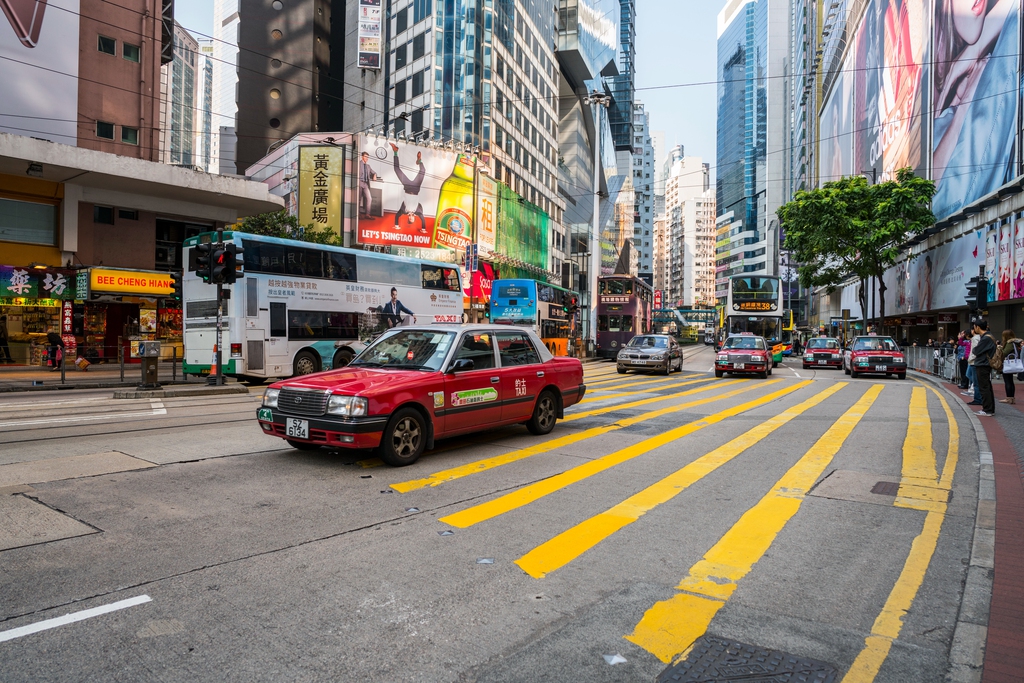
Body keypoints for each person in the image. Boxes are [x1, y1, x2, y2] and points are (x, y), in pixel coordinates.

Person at [389, 143, 427, 233]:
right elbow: (423, 220)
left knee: (396, 170)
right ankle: (419, 161)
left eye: (409, 218)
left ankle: (395, 152)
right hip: (416, 189)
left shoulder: (403, 211)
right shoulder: (418, 211)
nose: (410, 217)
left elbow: (397, 216)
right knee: (423, 171)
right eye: (412, 218)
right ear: (414, 217)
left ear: (408, 217)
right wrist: (423, 229)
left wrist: (397, 226)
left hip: (407, 187)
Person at [970, 319, 996, 416]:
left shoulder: (986, 338)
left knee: (984, 388)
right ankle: (989, 408)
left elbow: (976, 351)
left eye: (974, 326)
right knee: (986, 387)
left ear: (978, 327)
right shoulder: (988, 336)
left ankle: (987, 409)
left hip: (983, 365)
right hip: (985, 364)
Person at [993, 329, 1022, 405]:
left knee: (1008, 381)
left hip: (1008, 364)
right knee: (1010, 381)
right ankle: (1011, 398)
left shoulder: (1010, 343)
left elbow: (1005, 353)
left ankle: (1009, 398)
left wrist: (1000, 348)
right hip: (1012, 363)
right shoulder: (1015, 343)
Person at [358, 151, 380, 218]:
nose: (367, 158)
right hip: (359, 182)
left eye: (368, 157)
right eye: (365, 157)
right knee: (358, 199)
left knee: (369, 198)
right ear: (362, 157)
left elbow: (373, 172)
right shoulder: (358, 164)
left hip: (366, 184)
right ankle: (357, 213)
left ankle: (367, 214)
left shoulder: (368, 166)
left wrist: (375, 175)